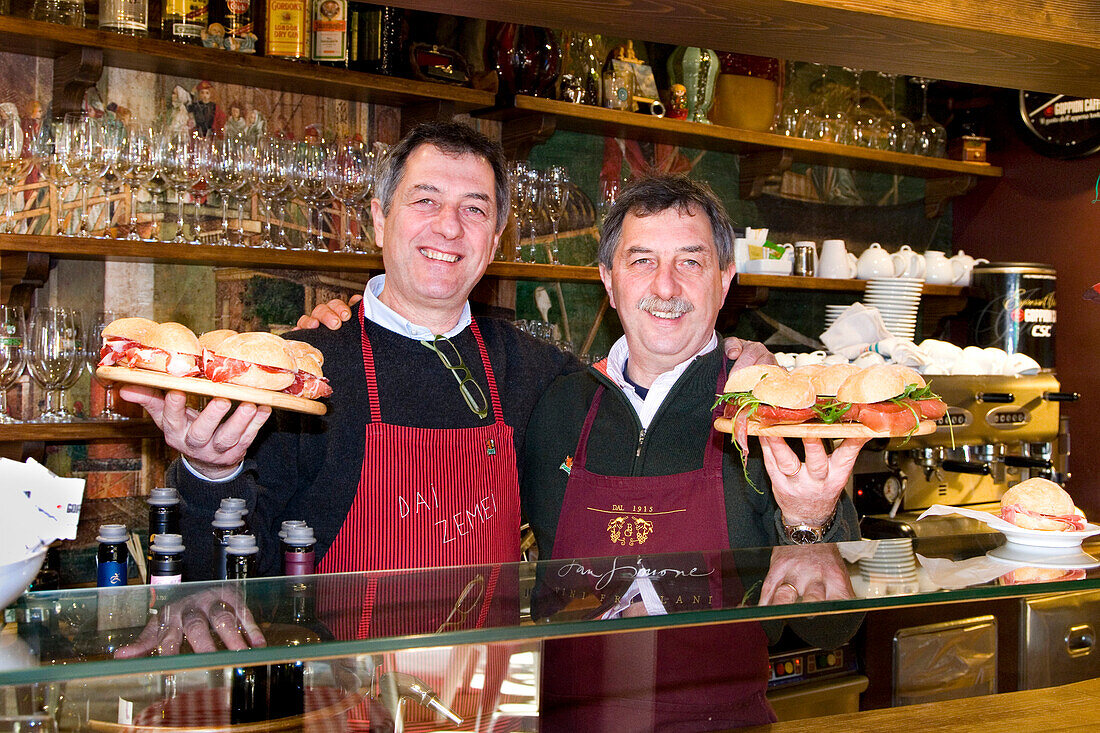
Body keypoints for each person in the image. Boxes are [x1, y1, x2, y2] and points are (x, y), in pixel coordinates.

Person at [519, 173, 866, 731]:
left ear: (725, 281)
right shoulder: (558, 407)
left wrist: (810, 522)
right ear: (608, 281)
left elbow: (831, 631)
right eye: (640, 261)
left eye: (690, 262)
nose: (665, 286)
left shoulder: (772, 409)